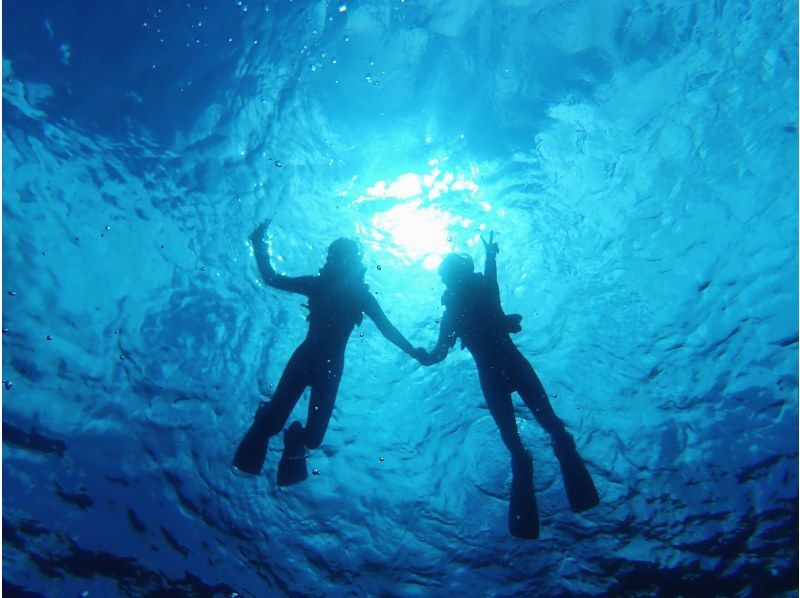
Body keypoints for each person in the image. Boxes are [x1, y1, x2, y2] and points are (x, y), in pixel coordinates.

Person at [418, 232, 599, 539]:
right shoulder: (469, 301)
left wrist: (423, 356)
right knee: (545, 429)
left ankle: (531, 467)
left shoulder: (459, 309)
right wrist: (490, 255)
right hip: (512, 367)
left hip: (497, 373)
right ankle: (553, 469)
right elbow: (439, 351)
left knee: (530, 437)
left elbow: (438, 354)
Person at [234, 218, 425, 486]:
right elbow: (271, 278)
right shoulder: (319, 285)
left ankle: (294, 437)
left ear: (352, 261)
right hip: (309, 359)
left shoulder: (359, 295)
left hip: (329, 366)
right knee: (272, 424)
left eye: (341, 256)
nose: (336, 260)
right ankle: (269, 422)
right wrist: (258, 243)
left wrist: (414, 351)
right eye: (334, 255)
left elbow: (386, 328)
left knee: (313, 439)